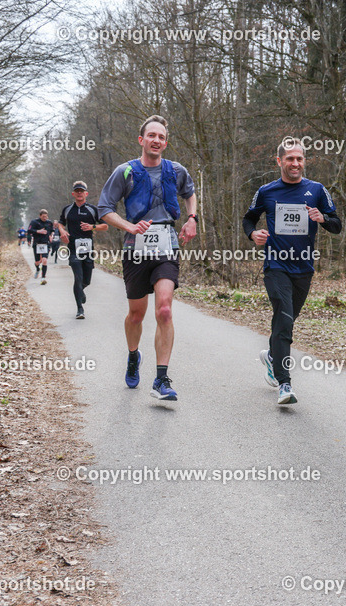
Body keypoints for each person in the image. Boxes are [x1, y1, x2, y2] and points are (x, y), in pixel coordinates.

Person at [98, 115, 198, 400]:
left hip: (166, 246)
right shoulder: (125, 172)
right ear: (141, 140)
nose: (156, 140)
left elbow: (190, 194)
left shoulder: (176, 170)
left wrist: (192, 218)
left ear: (165, 142)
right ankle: (133, 356)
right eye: (151, 135)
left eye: (161, 137)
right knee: (136, 314)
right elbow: (104, 208)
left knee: (164, 309)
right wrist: (129, 226)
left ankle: (161, 379)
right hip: (135, 249)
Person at [242, 136, 342, 405]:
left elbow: (337, 224)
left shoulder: (317, 190)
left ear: (304, 161)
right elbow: (248, 218)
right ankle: (284, 384)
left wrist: (322, 218)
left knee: (286, 319)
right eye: (290, 159)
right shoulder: (266, 191)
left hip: (304, 268)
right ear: (279, 162)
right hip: (276, 265)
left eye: (299, 158)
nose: (295, 163)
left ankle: (273, 355)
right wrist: (254, 234)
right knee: (284, 319)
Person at [58, 181, 106, 319]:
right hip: (73, 249)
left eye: (82, 191)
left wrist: (92, 227)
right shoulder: (67, 209)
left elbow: (105, 226)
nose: (79, 193)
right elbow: (60, 223)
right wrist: (62, 231)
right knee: (78, 278)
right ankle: (80, 309)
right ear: (73, 194)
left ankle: (80, 292)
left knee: (87, 280)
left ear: (86, 193)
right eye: (77, 191)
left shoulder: (92, 209)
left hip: (88, 250)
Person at [28, 210, 55, 284]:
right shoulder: (34, 222)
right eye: (43, 217)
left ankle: (43, 278)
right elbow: (29, 230)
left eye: (46, 216)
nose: (45, 218)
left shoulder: (49, 223)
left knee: (44, 260)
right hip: (37, 244)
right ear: (40, 216)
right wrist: (38, 231)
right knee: (37, 262)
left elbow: (52, 230)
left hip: (46, 244)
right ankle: (37, 269)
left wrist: (51, 236)